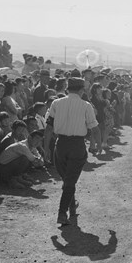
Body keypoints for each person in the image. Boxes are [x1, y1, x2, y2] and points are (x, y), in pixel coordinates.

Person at [43, 77, 100, 226]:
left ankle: (71, 205)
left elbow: (48, 128)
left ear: (68, 89)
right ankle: (62, 213)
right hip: (77, 145)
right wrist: (99, 145)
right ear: (81, 90)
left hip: (60, 144)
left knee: (68, 179)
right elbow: (94, 128)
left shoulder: (56, 103)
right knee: (70, 180)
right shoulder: (86, 105)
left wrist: (45, 149)